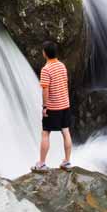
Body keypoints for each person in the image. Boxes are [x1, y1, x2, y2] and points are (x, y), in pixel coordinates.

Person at [31, 40, 72, 173]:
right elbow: (65, 84)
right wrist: (65, 100)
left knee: (45, 133)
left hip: (53, 107)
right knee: (65, 131)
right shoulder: (62, 66)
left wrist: (45, 106)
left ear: (45, 54)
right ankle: (67, 161)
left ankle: (42, 164)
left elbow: (45, 90)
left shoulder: (46, 69)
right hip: (65, 105)